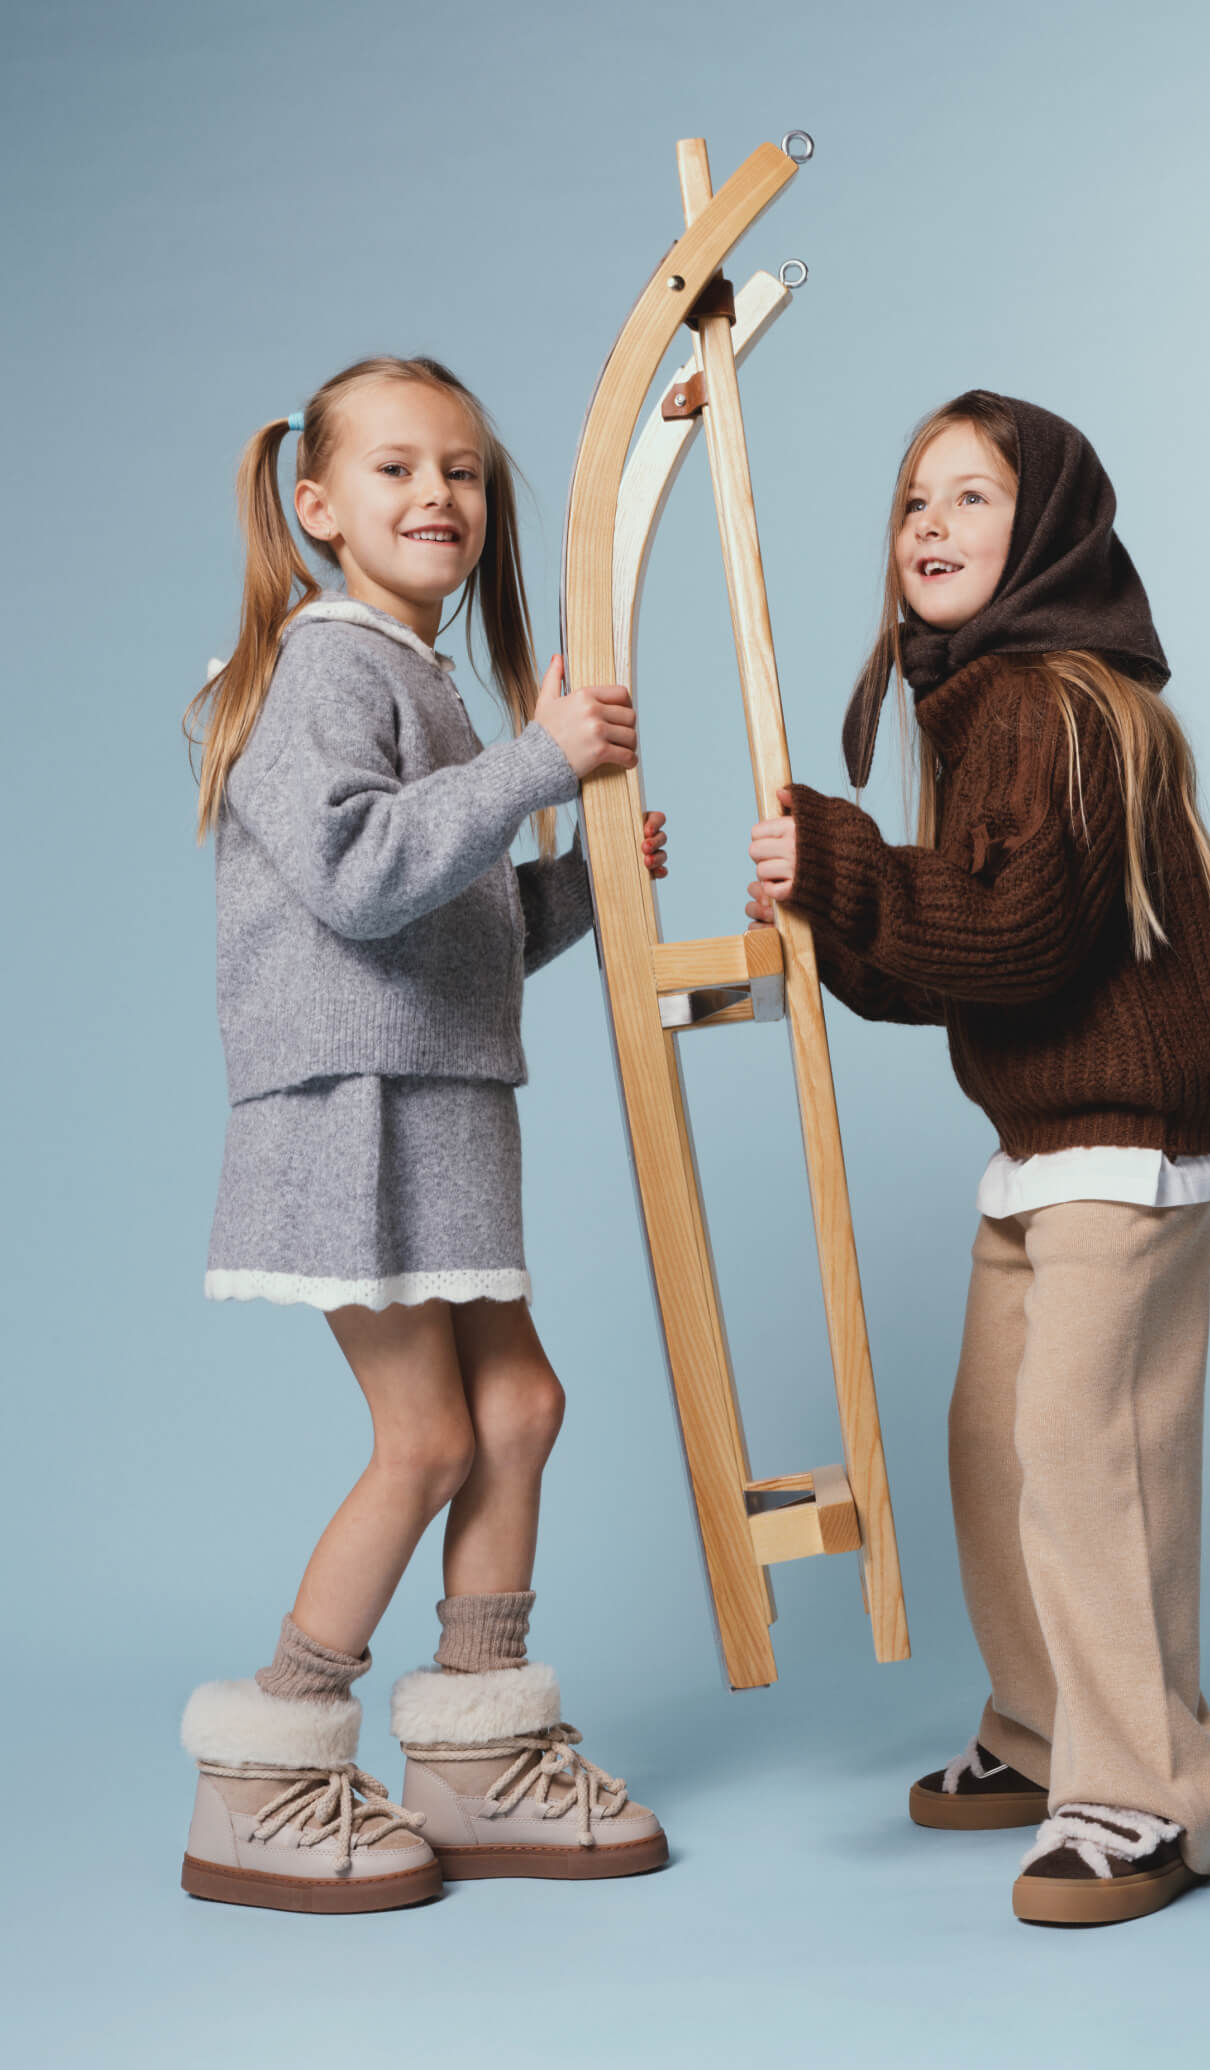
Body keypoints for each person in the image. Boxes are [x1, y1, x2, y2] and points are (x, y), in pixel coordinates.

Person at [745, 389, 1210, 1927]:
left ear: (1050, 535)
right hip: (1046, 1137)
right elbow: (957, 963)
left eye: (974, 496)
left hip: (1126, 1133)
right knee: (998, 1440)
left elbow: (1021, 936)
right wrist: (836, 905)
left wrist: (844, 862)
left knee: (1092, 1452)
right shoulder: (979, 708)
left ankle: (1145, 1789)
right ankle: (1044, 1730)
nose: (933, 524)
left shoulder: (1052, 700)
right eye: (916, 500)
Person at [178, 355, 669, 1913]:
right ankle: (266, 1763)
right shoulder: (322, 665)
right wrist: (543, 762)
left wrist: (579, 880)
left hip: (440, 1098)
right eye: (395, 468)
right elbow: (359, 874)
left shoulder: (420, 676)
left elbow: (450, 924)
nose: (436, 494)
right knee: (431, 1435)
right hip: (355, 1113)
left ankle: (473, 1750)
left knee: (519, 1404)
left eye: (459, 470)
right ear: (318, 506)